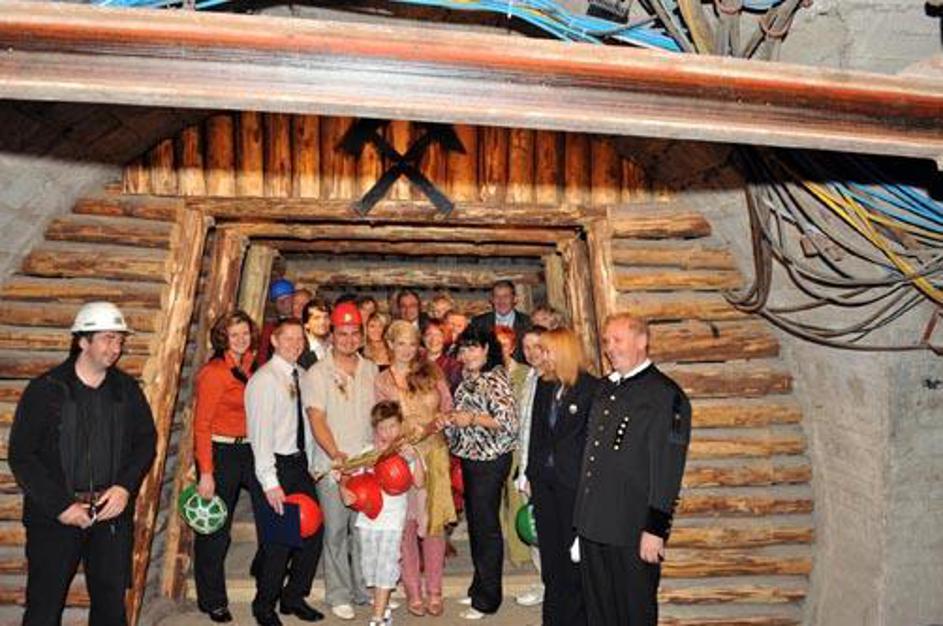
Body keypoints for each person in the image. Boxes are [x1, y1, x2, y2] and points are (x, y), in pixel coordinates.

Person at [9, 301, 157, 626]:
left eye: (120, 340)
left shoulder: (126, 390)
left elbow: (146, 441)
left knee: (110, 609)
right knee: (44, 609)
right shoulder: (46, 390)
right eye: (108, 338)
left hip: (110, 515)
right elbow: (22, 456)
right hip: (55, 518)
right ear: (82, 341)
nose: (116, 348)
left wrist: (124, 488)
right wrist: (61, 506)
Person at [574, 314, 691, 626]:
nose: (610, 348)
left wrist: (656, 529)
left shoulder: (665, 395)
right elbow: (592, 459)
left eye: (618, 340)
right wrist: (581, 520)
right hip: (593, 524)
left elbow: (668, 469)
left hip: (632, 528)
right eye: (607, 341)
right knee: (599, 612)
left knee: (634, 612)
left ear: (642, 341)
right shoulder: (604, 388)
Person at [245, 318, 325, 626]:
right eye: (287, 338)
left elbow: (306, 426)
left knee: (313, 533)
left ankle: (293, 597)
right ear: (275, 341)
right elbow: (260, 436)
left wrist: (313, 464)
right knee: (279, 542)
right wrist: (270, 482)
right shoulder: (264, 380)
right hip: (273, 466)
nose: (295, 344)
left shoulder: (302, 376)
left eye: (299, 339)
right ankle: (264, 605)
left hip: (298, 464)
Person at [374, 321, 456, 617]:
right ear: (390, 344)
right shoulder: (382, 380)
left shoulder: (432, 372)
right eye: (401, 343)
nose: (407, 349)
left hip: (434, 454)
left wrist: (431, 427)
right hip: (401, 457)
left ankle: (435, 590)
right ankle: (413, 590)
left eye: (412, 343)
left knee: (433, 524)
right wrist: (397, 446)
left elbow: (448, 409)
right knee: (405, 525)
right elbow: (380, 423)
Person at [304, 303, 377, 621]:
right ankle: (338, 594)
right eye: (342, 333)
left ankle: (362, 589)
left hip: (366, 463)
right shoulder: (317, 373)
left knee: (362, 530)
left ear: (361, 335)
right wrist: (335, 453)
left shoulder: (371, 370)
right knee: (335, 531)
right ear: (331, 334)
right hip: (332, 464)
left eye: (354, 333)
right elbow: (316, 418)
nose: (348, 339)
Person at [192, 311, 266, 623]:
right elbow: (201, 425)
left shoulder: (254, 365)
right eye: (234, 334)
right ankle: (212, 600)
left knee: (276, 514)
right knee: (215, 530)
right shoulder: (214, 372)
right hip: (221, 452)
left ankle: (267, 577)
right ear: (223, 337)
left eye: (245, 333)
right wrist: (206, 472)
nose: (240, 339)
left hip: (252, 448)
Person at [442, 326, 519, 620]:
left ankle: (488, 599)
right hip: (471, 459)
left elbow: (508, 422)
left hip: (490, 460)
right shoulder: (468, 379)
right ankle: (479, 587)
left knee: (486, 529)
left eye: (473, 347)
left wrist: (472, 418)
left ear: (487, 349)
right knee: (477, 526)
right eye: (464, 348)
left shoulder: (494, 378)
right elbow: (463, 419)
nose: (467, 354)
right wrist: (450, 420)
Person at [526, 327, 598, 626]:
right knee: (552, 558)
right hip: (545, 485)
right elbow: (536, 434)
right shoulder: (545, 387)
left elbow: (594, 444)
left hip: (574, 487)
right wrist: (530, 474)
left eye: (546, 350)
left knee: (575, 560)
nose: (540, 356)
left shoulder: (592, 389)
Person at [339, 401, 425, 626]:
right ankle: (383, 607)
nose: (387, 432)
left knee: (386, 565)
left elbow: (419, 482)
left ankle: (377, 618)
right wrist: (343, 488)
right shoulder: (367, 453)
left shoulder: (406, 452)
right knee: (370, 568)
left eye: (392, 426)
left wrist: (414, 458)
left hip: (392, 520)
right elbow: (347, 476)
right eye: (382, 428)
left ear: (401, 425)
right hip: (367, 519)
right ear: (375, 429)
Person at [512, 325, 548, 608]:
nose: (531, 352)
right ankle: (545, 582)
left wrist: (536, 473)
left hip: (542, 472)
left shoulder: (552, 380)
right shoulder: (529, 377)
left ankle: (554, 585)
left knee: (548, 533)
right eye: (526, 347)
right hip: (526, 468)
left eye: (537, 346)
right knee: (534, 532)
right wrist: (522, 470)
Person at [492, 326, 530, 569]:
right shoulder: (487, 374)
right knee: (494, 501)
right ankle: (498, 551)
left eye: (504, 345)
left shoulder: (525, 373)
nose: (500, 350)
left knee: (516, 498)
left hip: (516, 444)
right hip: (492, 444)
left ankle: (519, 553)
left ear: (512, 347)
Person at [469, 280, 531, 360]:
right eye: (497, 296)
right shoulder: (478, 323)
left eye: (506, 296)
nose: (501, 301)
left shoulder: (528, 323)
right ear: (491, 300)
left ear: (515, 299)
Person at [259, 278, 295, 364]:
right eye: (279, 300)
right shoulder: (269, 329)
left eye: (286, 299)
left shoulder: (306, 324)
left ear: (293, 299)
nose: (283, 303)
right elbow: (262, 356)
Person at [422, 319, 462, 392]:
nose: (433, 339)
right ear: (423, 338)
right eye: (429, 334)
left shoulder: (453, 366)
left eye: (438, 335)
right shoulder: (414, 362)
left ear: (444, 338)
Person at [299, 297, 332, 370]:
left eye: (326, 317)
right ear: (306, 324)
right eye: (316, 318)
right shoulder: (300, 351)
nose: (322, 322)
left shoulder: (335, 347)